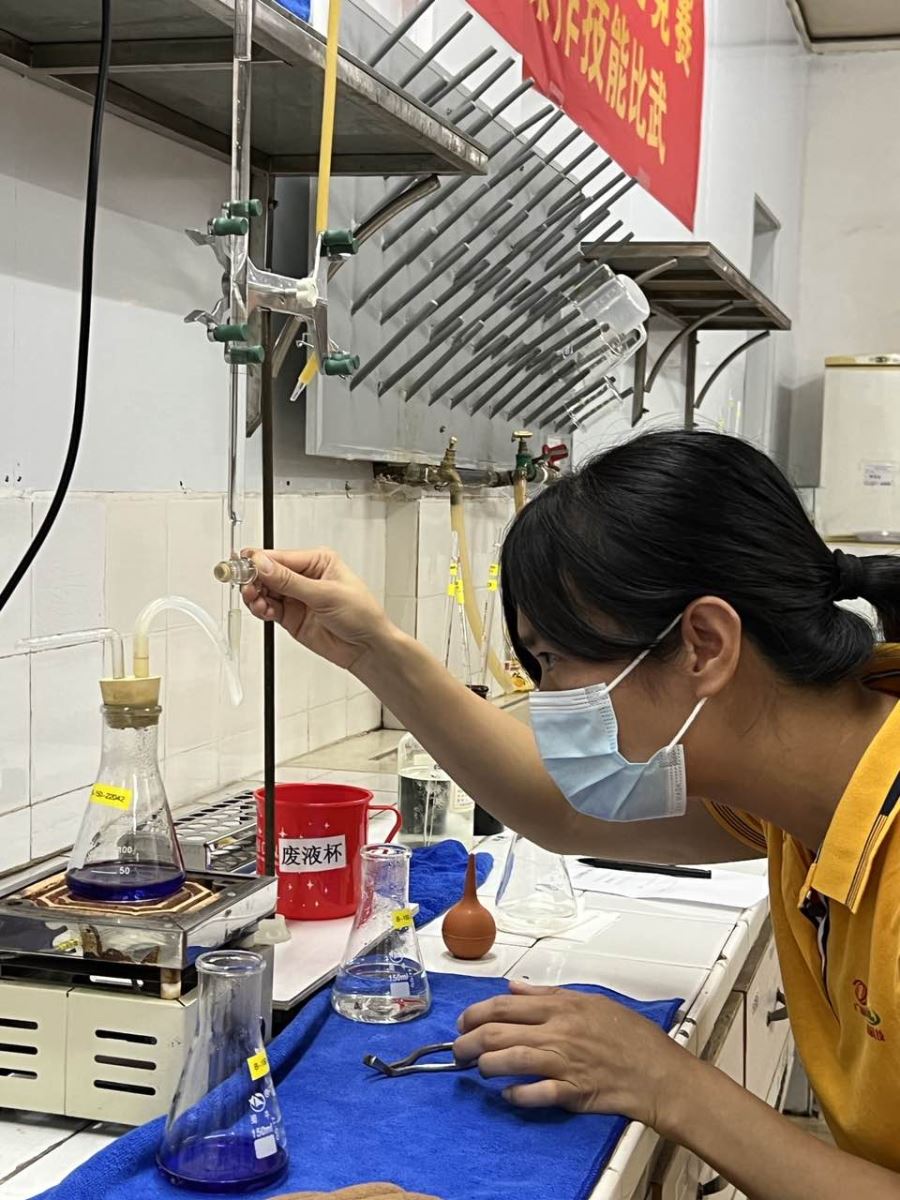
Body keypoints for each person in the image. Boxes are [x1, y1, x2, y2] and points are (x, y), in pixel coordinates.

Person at [242, 429, 900, 1200]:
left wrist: (663, 1080)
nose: (547, 701)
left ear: (704, 645)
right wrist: (372, 650)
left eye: (553, 660)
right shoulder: (807, 790)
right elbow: (560, 807)